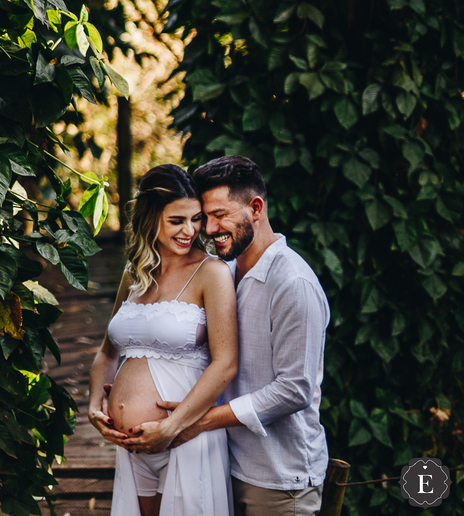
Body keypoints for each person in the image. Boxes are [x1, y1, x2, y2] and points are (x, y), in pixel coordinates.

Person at [124, 155, 331, 516]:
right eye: (206, 217)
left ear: (256, 208)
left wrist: (193, 422)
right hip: (224, 460)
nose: (208, 228)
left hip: (277, 474)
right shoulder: (225, 270)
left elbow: (294, 388)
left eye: (220, 215)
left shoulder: (292, 283)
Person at [87, 164, 238, 516]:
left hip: (184, 436)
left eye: (196, 219)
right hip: (132, 446)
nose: (190, 230)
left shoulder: (211, 273)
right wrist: (95, 404)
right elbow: (107, 353)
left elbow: (226, 363)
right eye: (177, 221)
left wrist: (171, 426)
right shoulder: (134, 273)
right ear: (151, 217)